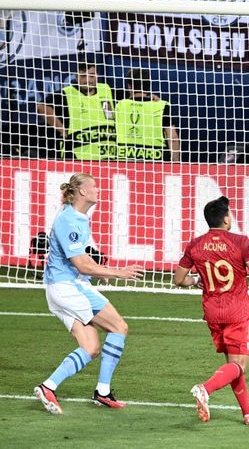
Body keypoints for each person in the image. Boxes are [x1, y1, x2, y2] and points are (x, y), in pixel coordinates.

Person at [34, 173, 144, 414]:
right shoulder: (69, 220)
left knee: (91, 347)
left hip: (64, 287)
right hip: (68, 288)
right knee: (118, 327)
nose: (98, 190)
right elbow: (82, 264)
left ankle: (48, 386)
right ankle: (102, 391)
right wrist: (118, 273)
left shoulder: (77, 218)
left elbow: (79, 262)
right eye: (94, 186)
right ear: (82, 191)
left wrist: (98, 272)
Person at [173, 196, 249, 426]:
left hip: (212, 312)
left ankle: (248, 412)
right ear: (226, 219)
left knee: (233, 366)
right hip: (236, 312)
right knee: (240, 365)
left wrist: (196, 280)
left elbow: (179, 279)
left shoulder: (195, 244)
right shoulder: (241, 241)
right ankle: (204, 389)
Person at [37, 59, 117, 160]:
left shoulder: (106, 89)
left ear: (97, 75)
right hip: (77, 157)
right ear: (76, 77)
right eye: (83, 76)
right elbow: (42, 107)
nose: (88, 80)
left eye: (91, 75)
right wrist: (61, 129)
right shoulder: (67, 94)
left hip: (108, 158)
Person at [115, 68, 180, 162]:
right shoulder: (161, 106)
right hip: (156, 163)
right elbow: (172, 138)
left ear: (129, 86)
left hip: (126, 162)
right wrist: (175, 162)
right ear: (148, 85)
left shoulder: (119, 105)